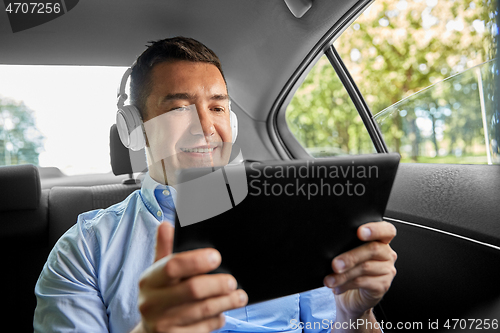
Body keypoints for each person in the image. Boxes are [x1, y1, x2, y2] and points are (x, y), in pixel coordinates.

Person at [34, 37, 397, 333]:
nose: (206, 127)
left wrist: (355, 316)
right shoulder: (84, 249)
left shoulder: (295, 219)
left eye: (218, 108)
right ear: (133, 128)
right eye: (179, 109)